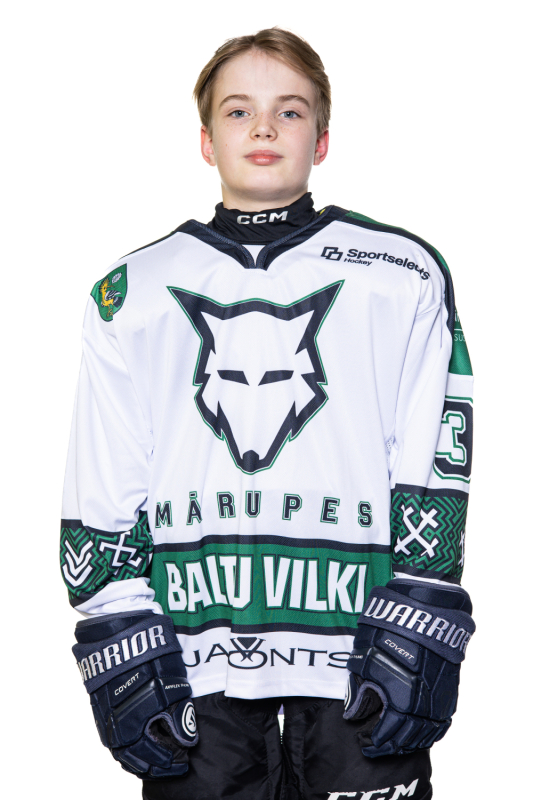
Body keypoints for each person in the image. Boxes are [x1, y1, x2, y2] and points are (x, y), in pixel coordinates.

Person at [61, 27, 475, 800]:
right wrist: (116, 616)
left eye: (288, 111)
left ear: (321, 140)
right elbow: (109, 465)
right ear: (204, 139)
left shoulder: (401, 272)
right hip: (192, 648)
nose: (262, 128)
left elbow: (432, 446)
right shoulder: (131, 291)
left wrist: (421, 599)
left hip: (359, 642)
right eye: (237, 111)